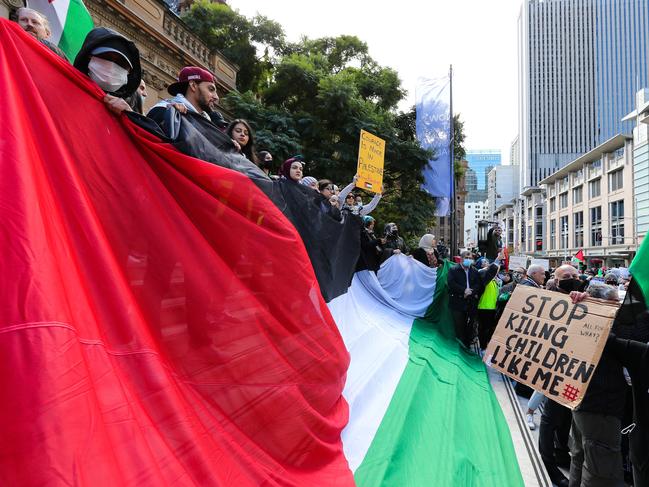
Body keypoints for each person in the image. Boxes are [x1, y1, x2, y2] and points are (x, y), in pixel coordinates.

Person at [568, 281, 628, 487]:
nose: (618, 306)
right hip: (599, 405)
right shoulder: (596, 326)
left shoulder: (587, 319)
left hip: (580, 401)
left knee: (581, 456)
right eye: (613, 301)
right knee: (600, 469)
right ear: (598, 304)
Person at [538, 264, 588, 487]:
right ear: (556, 282)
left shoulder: (587, 300)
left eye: (575, 276)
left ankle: (561, 452)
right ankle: (548, 463)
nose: (573, 279)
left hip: (578, 372)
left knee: (568, 417)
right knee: (551, 417)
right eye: (567, 277)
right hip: (555, 370)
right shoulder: (548, 301)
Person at [74, 27, 142, 115]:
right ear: (88, 57)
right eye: (105, 57)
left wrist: (129, 117)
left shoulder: (127, 112)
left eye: (121, 63)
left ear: (129, 72)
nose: (111, 66)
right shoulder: (62, 89)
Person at [447, 250, 500, 349]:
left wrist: (471, 292)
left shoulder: (474, 271)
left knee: (470, 327)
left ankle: (467, 348)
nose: (469, 260)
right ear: (461, 259)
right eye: (466, 258)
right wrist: (464, 291)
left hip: (470, 302)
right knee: (459, 327)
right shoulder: (453, 270)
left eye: (470, 258)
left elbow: (478, 284)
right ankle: (460, 348)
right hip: (458, 302)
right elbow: (451, 283)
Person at [147, 66, 219, 124]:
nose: (216, 97)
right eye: (211, 89)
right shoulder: (164, 111)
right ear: (193, 85)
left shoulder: (208, 123)